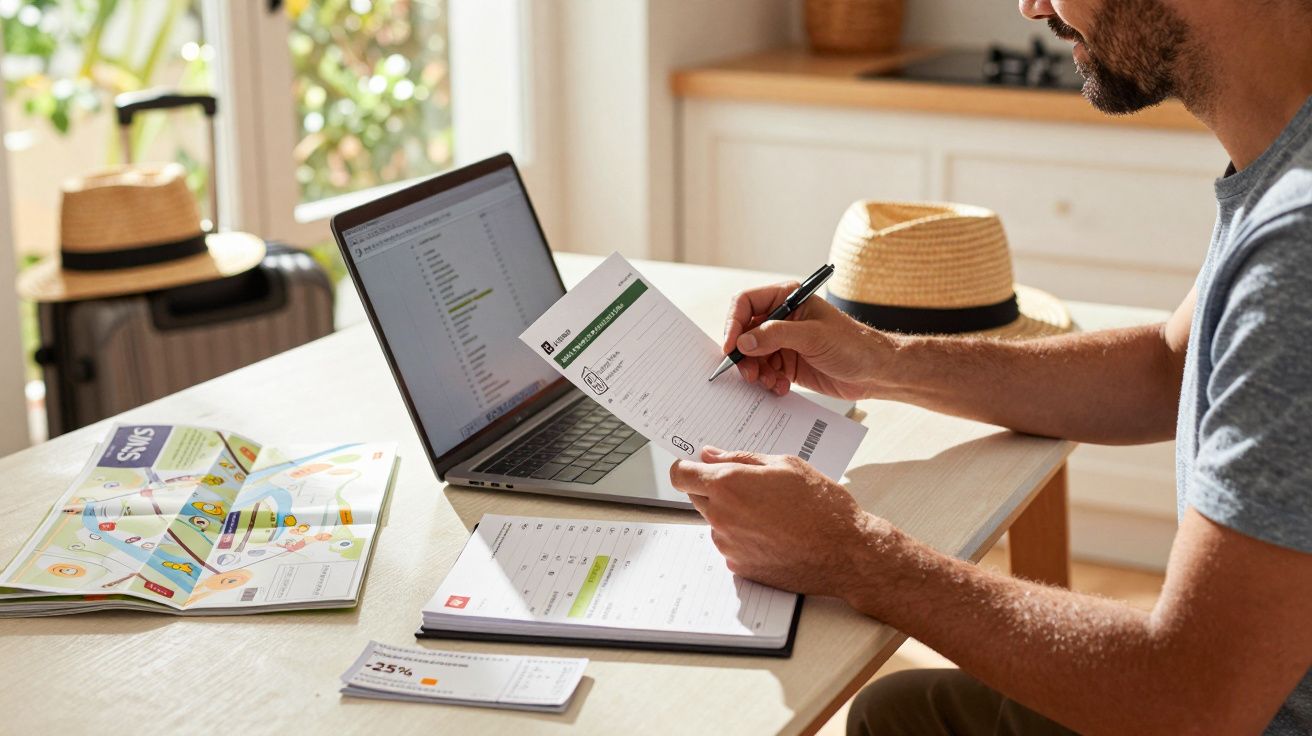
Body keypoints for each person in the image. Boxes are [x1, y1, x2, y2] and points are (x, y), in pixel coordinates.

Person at [666, 0, 1312, 733]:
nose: (1032, 4)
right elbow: (1169, 366)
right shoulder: (1280, 156)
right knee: (898, 714)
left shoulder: (1298, 242)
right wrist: (883, 359)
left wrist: (852, 554)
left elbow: (1192, 697)